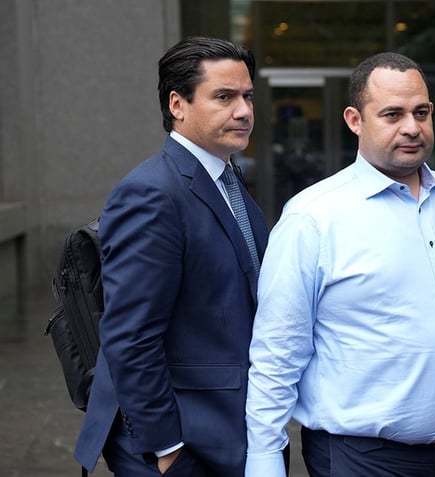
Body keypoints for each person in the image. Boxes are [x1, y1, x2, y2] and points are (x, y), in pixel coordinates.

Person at [244, 51, 435, 476]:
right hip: (359, 459)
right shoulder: (313, 219)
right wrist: (263, 461)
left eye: (420, 112)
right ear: (355, 120)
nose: (411, 127)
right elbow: (278, 352)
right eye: (392, 114)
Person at [74, 36, 275, 476]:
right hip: (177, 443)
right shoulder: (151, 192)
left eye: (247, 96)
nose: (243, 111)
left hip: (226, 429)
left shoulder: (226, 178)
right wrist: (167, 450)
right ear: (177, 104)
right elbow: (130, 335)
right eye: (223, 97)